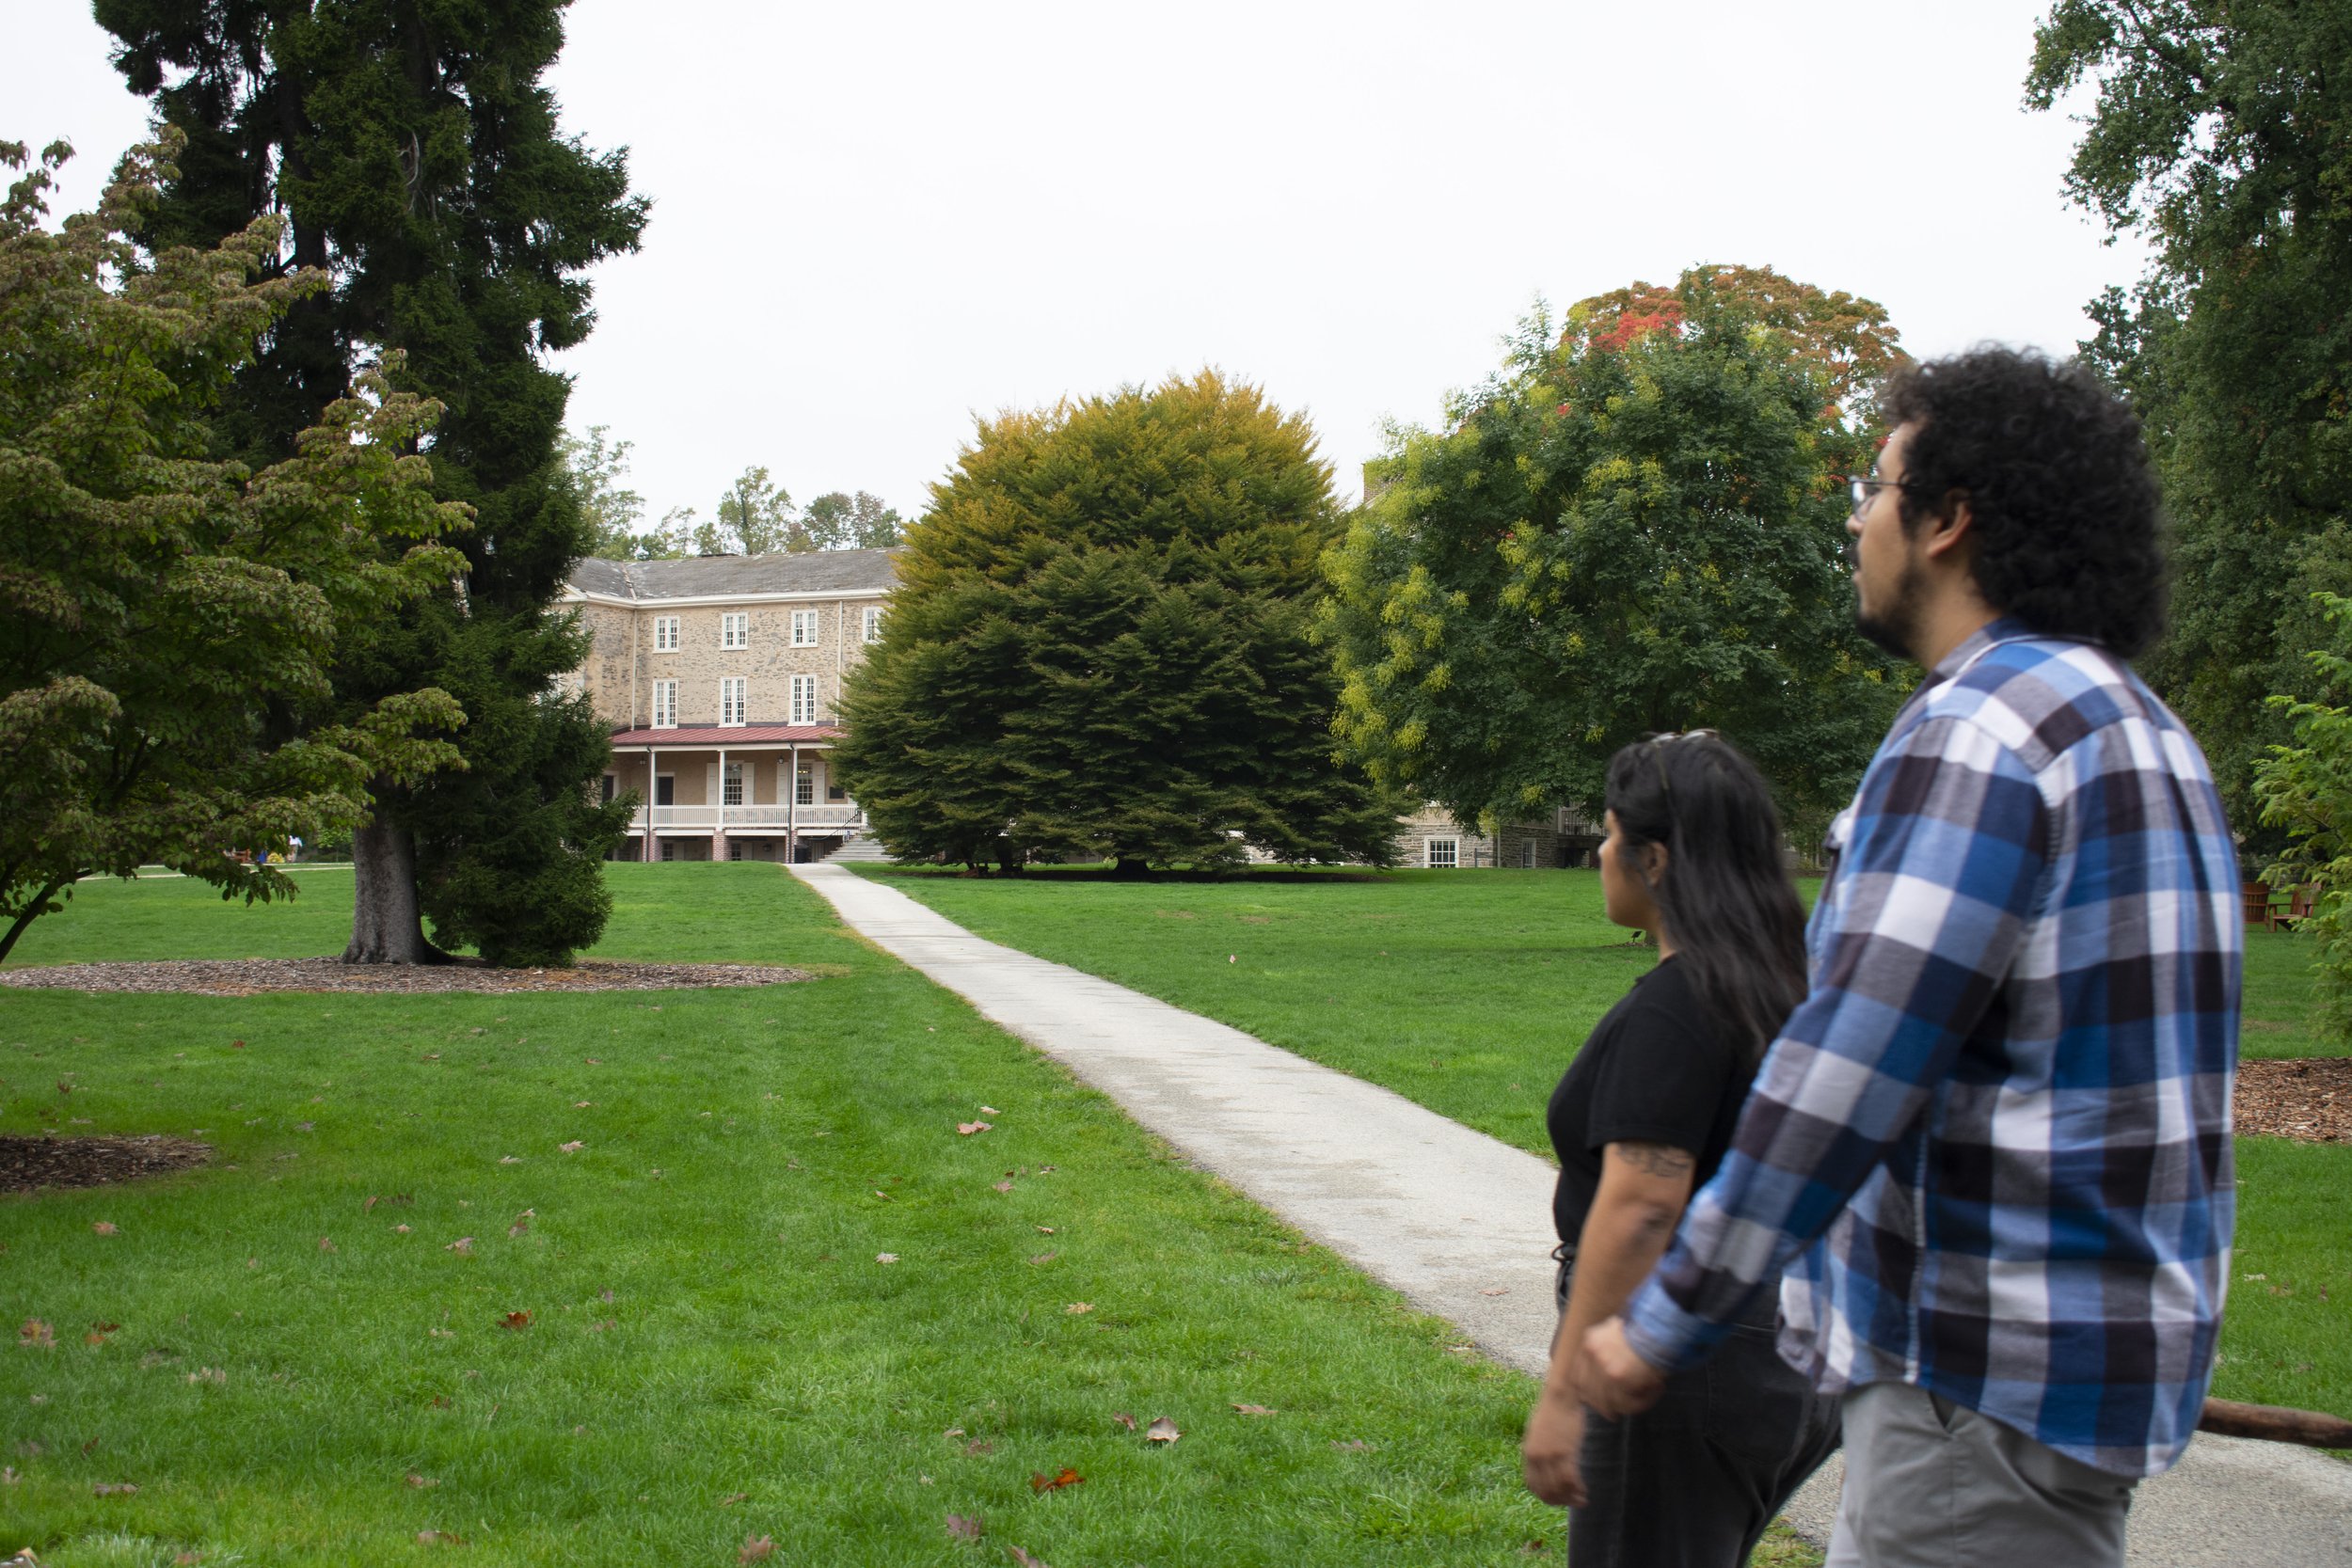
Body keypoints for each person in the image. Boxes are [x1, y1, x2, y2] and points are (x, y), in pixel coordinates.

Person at [1575, 348, 2241, 1567]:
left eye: (1876, 485)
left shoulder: (1977, 729)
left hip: (1969, 1393)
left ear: (1949, 520)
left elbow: (1846, 1069)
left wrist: (1664, 1314)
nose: (1858, 515)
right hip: (2072, 1381)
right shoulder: (2136, 726)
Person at [1522, 732, 1840, 1565]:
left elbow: (1641, 1211)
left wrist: (1566, 1392)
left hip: (1679, 1366)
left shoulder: (1679, 1007)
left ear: (1654, 858)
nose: (1599, 851)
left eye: (1609, 832)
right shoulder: (1783, 985)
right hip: (1779, 1353)